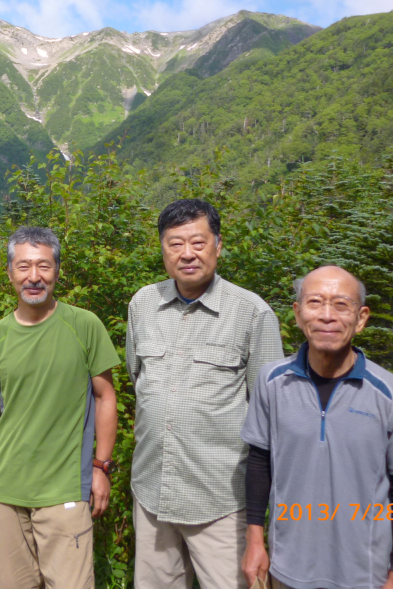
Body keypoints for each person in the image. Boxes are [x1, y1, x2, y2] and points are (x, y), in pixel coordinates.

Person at [241, 265, 393, 589]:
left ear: (361, 318)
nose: (327, 315)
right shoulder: (272, 382)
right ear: (298, 313)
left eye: (341, 305)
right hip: (286, 570)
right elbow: (259, 462)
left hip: (365, 575)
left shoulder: (390, 392)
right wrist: (255, 541)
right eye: (315, 302)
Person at [127, 199, 283, 589]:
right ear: (162, 249)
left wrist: (261, 520)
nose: (187, 254)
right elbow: (139, 381)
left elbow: (271, 418)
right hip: (152, 494)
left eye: (198, 242)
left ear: (218, 245)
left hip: (221, 501)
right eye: (175, 244)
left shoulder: (252, 313)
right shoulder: (142, 304)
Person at [0, 226, 120, 589]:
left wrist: (101, 467)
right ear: (9, 273)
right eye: (24, 267)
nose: (34, 277)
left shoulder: (84, 325)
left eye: (44, 266)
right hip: (9, 492)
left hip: (65, 489)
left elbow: (105, 397)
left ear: (57, 271)